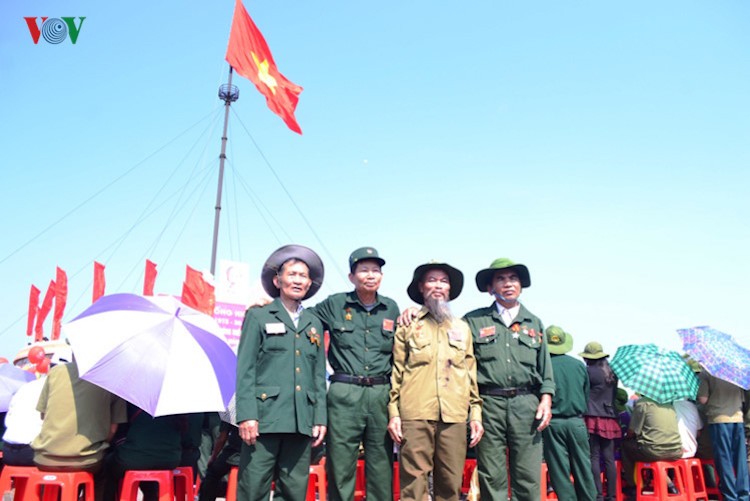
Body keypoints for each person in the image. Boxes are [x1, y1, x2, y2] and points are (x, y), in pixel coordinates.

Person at [235, 244, 328, 501]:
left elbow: (318, 375)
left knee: (294, 492)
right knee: (253, 488)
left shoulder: (314, 323)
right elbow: (245, 370)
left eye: (303, 276)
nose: (297, 280)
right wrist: (247, 416)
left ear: (310, 284)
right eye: (292, 274)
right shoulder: (259, 316)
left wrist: (319, 417)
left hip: (301, 419)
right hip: (264, 419)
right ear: (278, 280)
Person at [308, 247, 400, 501]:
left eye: (375, 270)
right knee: (341, 464)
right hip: (344, 394)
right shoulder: (335, 304)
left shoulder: (391, 308)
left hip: (381, 393)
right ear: (352, 276)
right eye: (364, 270)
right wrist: (268, 303)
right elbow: (302, 318)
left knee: (381, 464)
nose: (370, 275)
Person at [387, 261, 483, 501]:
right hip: (415, 412)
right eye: (432, 280)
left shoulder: (462, 328)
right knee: (413, 483)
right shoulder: (407, 324)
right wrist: (394, 413)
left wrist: (476, 414)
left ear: (449, 288)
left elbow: (470, 374)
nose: (438, 285)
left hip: (454, 414)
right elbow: (397, 371)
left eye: (443, 281)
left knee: (450, 483)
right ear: (421, 287)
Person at [463, 258, 554, 501]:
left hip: (526, 405)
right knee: (491, 474)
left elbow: (545, 369)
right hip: (488, 404)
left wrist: (546, 400)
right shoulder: (473, 321)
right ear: (490, 288)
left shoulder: (534, 323)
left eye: (513, 278)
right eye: (500, 279)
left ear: (521, 285)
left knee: (528, 474)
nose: (508, 284)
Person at [31, 356, 127, 472]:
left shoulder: (56, 371)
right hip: (88, 459)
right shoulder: (113, 377)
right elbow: (112, 430)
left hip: (44, 457)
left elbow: (43, 415)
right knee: (107, 472)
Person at [542, 326, 596, 501]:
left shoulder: (543, 367)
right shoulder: (579, 365)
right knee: (583, 467)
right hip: (576, 422)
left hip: (553, 423)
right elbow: (586, 394)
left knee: (559, 469)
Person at [101, 404, 186, 501]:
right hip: (170, 460)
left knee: (108, 465)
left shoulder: (135, 404)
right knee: (150, 470)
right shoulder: (175, 410)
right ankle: (152, 496)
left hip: (133, 459)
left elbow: (120, 431)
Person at [698, 371, 749, 501]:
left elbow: (702, 399)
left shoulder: (706, 373)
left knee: (724, 460)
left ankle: (730, 496)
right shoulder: (736, 372)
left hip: (719, 419)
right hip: (737, 419)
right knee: (740, 460)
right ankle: (744, 495)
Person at [620, 396, 683, 499]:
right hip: (676, 450)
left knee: (626, 446)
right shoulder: (670, 405)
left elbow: (632, 431)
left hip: (653, 451)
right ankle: (670, 484)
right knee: (648, 448)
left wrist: (626, 436)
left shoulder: (643, 403)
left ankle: (633, 486)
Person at [581, 341, 620, 501]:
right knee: (609, 458)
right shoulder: (612, 373)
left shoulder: (588, 372)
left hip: (591, 417)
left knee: (594, 456)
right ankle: (612, 495)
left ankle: (598, 495)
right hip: (609, 417)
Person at [198, 421, 242, 501]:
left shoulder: (231, 412)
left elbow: (222, 438)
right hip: (254, 454)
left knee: (212, 473)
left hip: (235, 453)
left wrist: (213, 457)